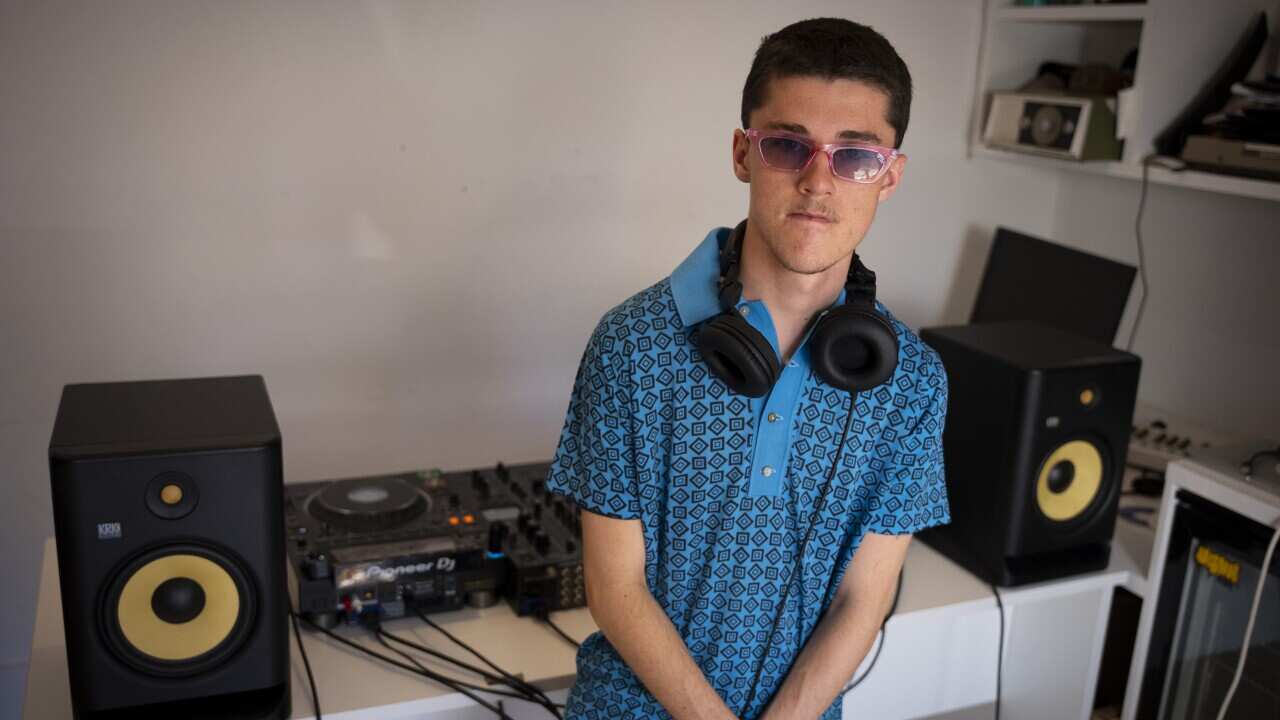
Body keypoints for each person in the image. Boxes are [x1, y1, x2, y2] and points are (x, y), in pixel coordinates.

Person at [546, 17, 950, 720]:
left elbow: (866, 596)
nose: (819, 181)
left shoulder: (912, 382)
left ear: (890, 175)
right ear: (743, 153)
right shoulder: (630, 345)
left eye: (855, 156)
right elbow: (614, 590)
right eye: (789, 146)